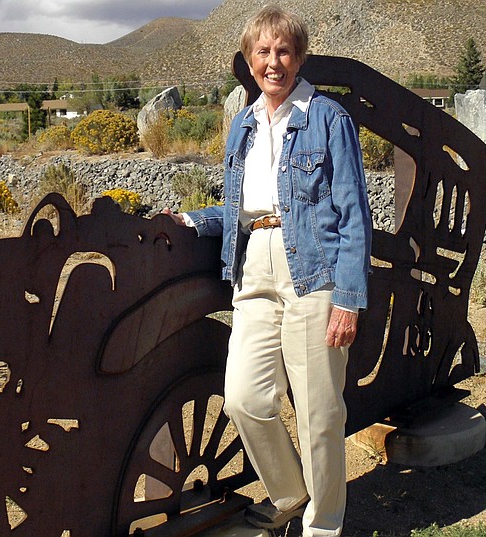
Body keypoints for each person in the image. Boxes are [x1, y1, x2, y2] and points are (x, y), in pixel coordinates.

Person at [162, 5, 372, 536]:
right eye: (263, 51)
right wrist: (192, 218)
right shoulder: (243, 126)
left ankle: (322, 525)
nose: (272, 62)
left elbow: (353, 214)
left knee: (318, 413)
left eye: (283, 51)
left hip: (314, 270)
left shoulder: (328, 119)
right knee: (245, 398)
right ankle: (291, 493)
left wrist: (348, 298)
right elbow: (244, 206)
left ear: (298, 57)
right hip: (253, 267)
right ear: (249, 59)